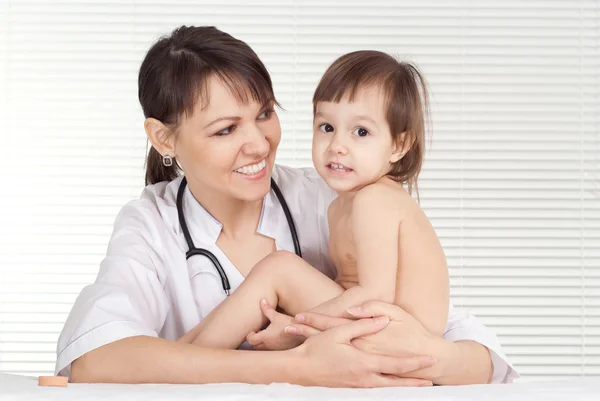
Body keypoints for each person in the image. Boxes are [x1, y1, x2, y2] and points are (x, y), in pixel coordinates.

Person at [54, 25, 518, 386]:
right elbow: (97, 361)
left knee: (278, 269)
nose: (258, 144)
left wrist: (431, 360)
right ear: (163, 137)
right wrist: (300, 365)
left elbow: (466, 347)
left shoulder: (332, 194)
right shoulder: (151, 224)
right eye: (225, 129)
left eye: (264, 114)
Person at [187, 50, 450, 353]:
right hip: (378, 327)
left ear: (399, 145)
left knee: (279, 268)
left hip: (401, 336)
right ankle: (178, 352)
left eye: (361, 132)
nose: (337, 146)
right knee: (278, 270)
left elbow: (374, 295)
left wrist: (298, 327)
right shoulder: (340, 204)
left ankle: (182, 361)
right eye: (327, 127)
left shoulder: (375, 201)